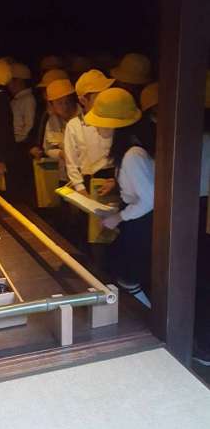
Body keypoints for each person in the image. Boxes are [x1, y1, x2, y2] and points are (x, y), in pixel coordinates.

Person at [85, 88, 155, 301]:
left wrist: (119, 216)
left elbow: (149, 200)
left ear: (113, 124)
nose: (96, 126)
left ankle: (149, 316)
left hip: (141, 224)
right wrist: (117, 210)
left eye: (100, 121)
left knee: (128, 277)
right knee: (124, 274)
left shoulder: (132, 155)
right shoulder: (130, 149)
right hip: (137, 220)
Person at [64, 69, 115, 196]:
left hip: (114, 179)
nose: (105, 98)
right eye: (98, 95)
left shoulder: (115, 119)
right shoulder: (74, 125)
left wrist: (118, 180)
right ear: (83, 100)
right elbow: (71, 162)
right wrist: (80, 187)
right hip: (90, 181)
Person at [43, 78, 78, 182]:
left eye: (68, 101)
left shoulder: (84, 117)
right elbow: (48, 148)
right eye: (59, 103)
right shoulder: (52, 121)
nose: (65, 106)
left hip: (85, 175)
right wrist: (61, 154)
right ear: (51, 104)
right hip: (64, 176)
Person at [30, 68, 68, 160]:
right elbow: (47, 146)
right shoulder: (43, 112)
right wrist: (33, 147)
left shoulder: (79, 116)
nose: (45, 95)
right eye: (44, 91)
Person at [8, 63, 36, 143]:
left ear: (19, 81)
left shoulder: (28, 99)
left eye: (11, 81)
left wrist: (16, 141)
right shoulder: (15, 100)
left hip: (19, 143)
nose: (8, 85)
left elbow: (29, 126)